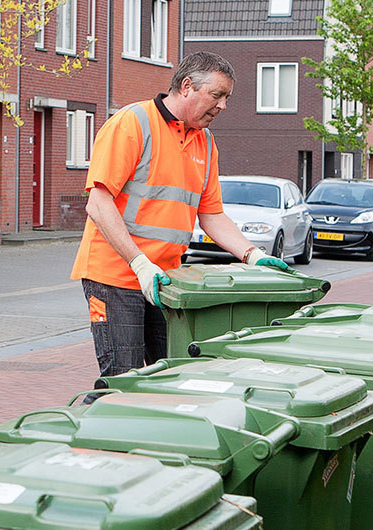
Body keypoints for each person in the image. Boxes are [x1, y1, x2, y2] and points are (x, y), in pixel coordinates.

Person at [69, 52, 290, 391]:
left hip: (165, 282)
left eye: (227, 97)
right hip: (115, 277)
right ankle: (82, 441)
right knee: (122, 382)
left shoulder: (205, 142)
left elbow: (211, 214)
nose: (223, 106)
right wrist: (139, 264)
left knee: (173, 376)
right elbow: (99, 203)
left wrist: (252, 254)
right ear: (187, 87)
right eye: (217, 95)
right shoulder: (133, 123)